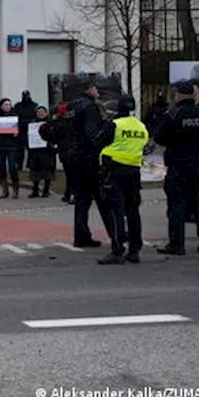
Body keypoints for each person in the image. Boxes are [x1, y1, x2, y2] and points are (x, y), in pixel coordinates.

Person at [155, 81, 199, 256]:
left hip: (178, 166)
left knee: (177, 207)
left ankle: (177, 244)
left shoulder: (174, 115)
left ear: (179, 95)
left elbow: (160, 137)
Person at [93, 95, 148, 265]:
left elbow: (98, 141)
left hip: (114, 171)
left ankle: (117, 250)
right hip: (134, 171)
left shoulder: (114, 125)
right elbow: (144, 146)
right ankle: (134, 250)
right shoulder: (140, 126)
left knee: (116, 210)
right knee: (133, 211)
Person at [69, 81, 111, 248]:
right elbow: (93, 133)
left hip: (74, 156)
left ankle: (81, 236)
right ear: (89, 89)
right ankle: (116, 233)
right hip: (88, 157)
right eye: (95, 87)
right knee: (102, 197)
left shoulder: (71, 106)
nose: (97, 90)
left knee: (81, 200)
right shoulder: (89, 107)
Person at [0, 98, 24, 199]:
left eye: (9, 105)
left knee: (12, 167)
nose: (8, 106)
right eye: (6, 104)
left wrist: (17, 132)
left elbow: (21, 129)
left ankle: (15, 189)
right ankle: (4, 190)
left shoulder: (14, 117)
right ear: (1, 106)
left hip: (12, 145)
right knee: (2, 168)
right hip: (0, 145)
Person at [29, 106, 58, 197]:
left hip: (47, 150)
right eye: (39, 112)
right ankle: (35, 190)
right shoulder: (33, 123)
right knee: (35, 171)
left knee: (48, 171)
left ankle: (46, 190)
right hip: (35, 150)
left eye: (43, 112)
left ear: (46, 113)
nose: (41, 113)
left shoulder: (51, 123)